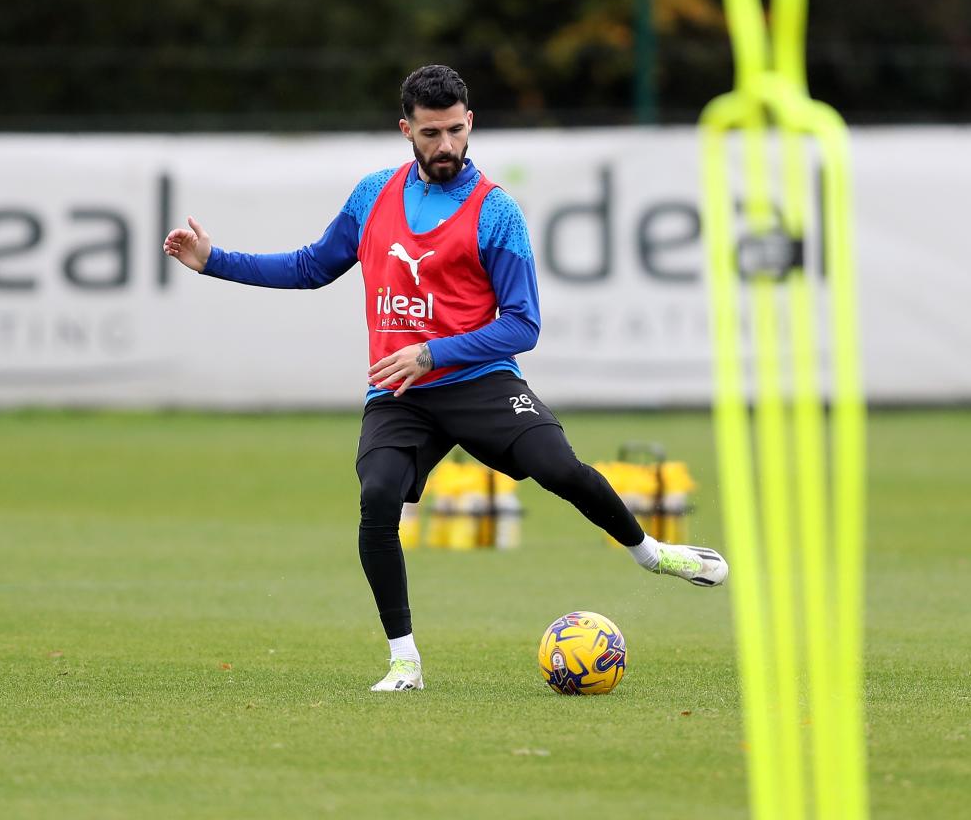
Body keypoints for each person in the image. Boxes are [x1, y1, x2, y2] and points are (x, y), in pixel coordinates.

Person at [163, 64, 728, 692]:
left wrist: (433, 353)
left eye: (456, 131)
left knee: (561, 469)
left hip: (480, 379)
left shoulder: (497, 212)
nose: (446, 147)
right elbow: (310, 267)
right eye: (431, 134)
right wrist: (212, 261)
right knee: (378, 499)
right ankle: (405, 661)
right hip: (400, 393)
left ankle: (651, 554)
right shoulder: (372, 195)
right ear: (406, 129)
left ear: (470, 124)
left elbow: (523, 326)